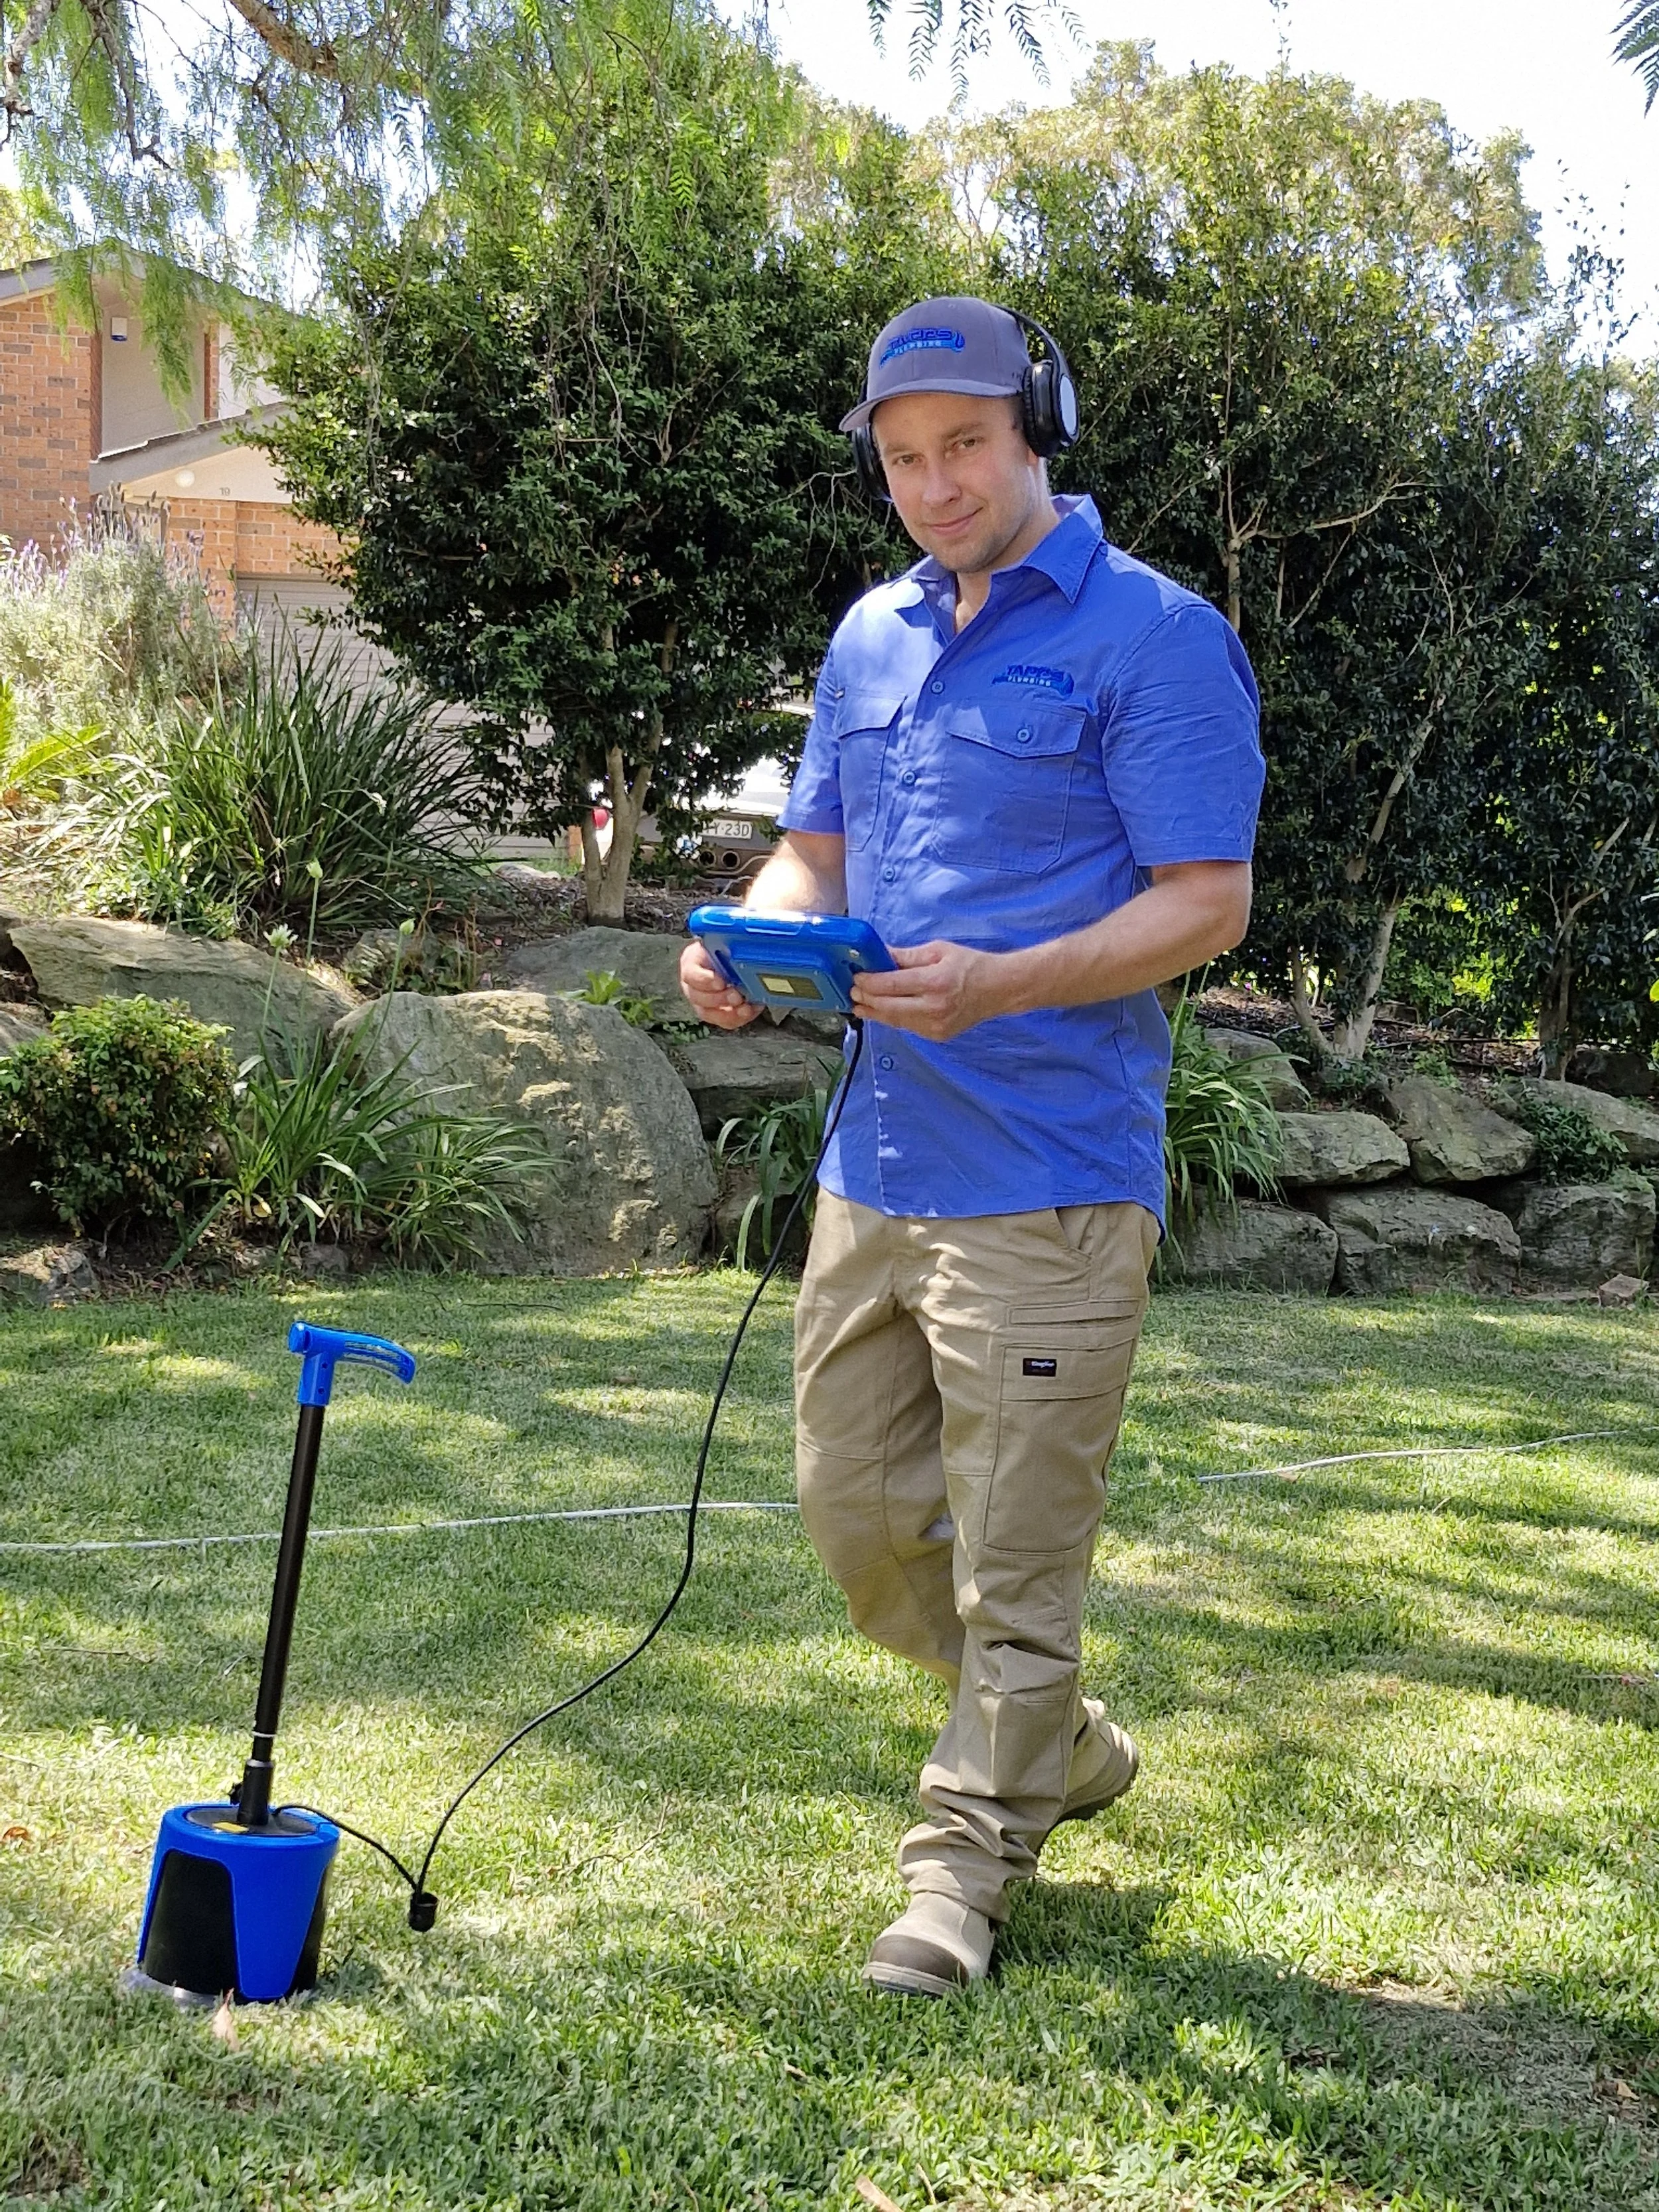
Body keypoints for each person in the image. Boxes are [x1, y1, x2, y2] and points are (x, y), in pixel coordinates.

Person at [680, 295, 1265, 1999]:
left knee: (1016, 1560)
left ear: (1035, 435)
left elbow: (1204, 906)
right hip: (876, 1165)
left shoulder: (1154, 638)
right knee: (856, 1524)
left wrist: (1003, 983)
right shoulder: (866, 639)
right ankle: (1055, 1738)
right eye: (903, 457)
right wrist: (748, 935)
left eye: (966, 448)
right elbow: (818, 855)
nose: (934, 486)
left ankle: (963, 1870)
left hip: (1050, 1175)